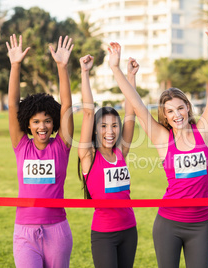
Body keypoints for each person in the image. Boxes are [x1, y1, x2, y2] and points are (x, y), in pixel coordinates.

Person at [107, 19, 208, 268]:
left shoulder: (203, 131)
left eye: (180, 107)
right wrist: (118, 70)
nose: (177, 114)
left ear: (188, 108)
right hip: (168, 223)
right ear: (165, 116)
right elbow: (137, 105)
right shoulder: (162, 139)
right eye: (170, 111)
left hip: (200, 225)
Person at [7, 34, 74, 267]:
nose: (42, 126)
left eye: (46, 121)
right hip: (24, 232)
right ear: (27, 124)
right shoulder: (21, 145)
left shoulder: (61, 146)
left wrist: (62, 67)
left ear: (54, 122)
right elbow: (14, 105)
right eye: (35, 122)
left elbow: (66, 106)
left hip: (57, 230)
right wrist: (15, 66)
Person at [77, 53, 138, 267]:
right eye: (103, 126)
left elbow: (131, 114)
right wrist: (85, 72)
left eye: (114, 125)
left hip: (130, 230)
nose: (110, 131)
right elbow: (87, 112)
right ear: (94, 130)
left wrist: (131, 76)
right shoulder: (88, 156)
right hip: (104, 234)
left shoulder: (120, 151)